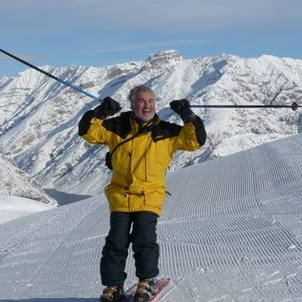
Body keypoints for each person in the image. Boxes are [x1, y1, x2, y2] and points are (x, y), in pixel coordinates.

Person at [78, 85, 206, 302]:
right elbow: (88, 132)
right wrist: (102, 111)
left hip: (149, 195)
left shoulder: (166, 131)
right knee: (116, 242)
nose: (147, 105)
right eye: (141, 100)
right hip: (121, 195)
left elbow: (195, 141)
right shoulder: (116, 126)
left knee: (144, 239)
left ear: (155, 104)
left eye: (150, 101)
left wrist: (188, 115)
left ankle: (146, 281)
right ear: (132, 103)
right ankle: (113, 286)